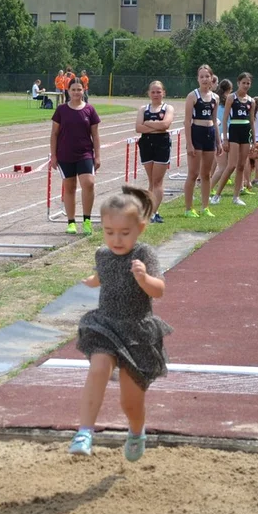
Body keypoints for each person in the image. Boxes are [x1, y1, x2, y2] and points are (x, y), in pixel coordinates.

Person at [67, 186, 171, 460]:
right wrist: (91, 281)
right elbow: (103, 275)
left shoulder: (145, 255)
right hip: (106, 325)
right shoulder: (102, 254)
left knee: (130, 402)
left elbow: (159, 290)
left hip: (137, 331)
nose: (116, 239)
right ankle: (85, 431)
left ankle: (137, 431)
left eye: (125, 233)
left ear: (140, 228)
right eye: (109, 231)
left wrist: (143, 279)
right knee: (98, 367)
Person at [51, 77, 100, 235]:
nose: (76, 92)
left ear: (83, 90)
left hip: (85, 153)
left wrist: (97, 156)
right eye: (73, 90)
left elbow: (95, 135)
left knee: (89, 183)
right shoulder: (61, 110)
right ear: (68, 91)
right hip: (65, 154)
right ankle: (71, 222)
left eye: (79, 89)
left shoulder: (90, 110)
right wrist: (53, 156)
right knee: (70, 187)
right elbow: (54, 134)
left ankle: (87, 220)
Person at [183, 65, 222, 219]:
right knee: (193, 173)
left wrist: (218, 142)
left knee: (206, 174)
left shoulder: (215, 97)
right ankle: (188, 208)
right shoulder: (193, 96)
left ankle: (205, 207)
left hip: (210, 134)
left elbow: (214, 120)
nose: (205, 79)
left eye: (207, 76)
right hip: (196, 132)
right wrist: (189, 143)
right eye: (202, 76)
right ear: (198, 79)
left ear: (212, 78)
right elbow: (187, 121)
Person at [135, 80, 174, 224]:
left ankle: (150, 213)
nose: (156, 94)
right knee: (151, 181)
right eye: (153, 92)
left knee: (157, 181)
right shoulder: (143, 109)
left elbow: (166, 124)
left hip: (161, 143)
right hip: (146, 143)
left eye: (159, 91)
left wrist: (148, 124)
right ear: (148, 93)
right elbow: (138, 128)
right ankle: (154, 212)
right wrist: (157, 126)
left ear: (163, 92)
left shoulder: (167, 108)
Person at [213, 72, 254, 206]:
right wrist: (225, 139)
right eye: (244, 83)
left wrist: (253, 140)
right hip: (234, 131)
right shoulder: (232, 97)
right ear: (238, 83)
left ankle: (236, 197)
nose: (246, 85)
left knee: (242, 166)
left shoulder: (251, 101)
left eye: (248, 83)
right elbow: (225, 119)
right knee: (231, 165)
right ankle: (217, 195)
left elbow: (252, 121)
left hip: (245, 132)